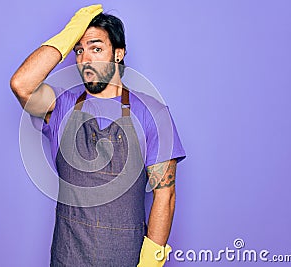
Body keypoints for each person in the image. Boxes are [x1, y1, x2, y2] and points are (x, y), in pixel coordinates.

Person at [10, 4, 186, 266]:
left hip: (124, 257)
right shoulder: (61, 106)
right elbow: (21, 84)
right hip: (67, 256)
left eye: (96, 48)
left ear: (118, 53)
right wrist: (71, 33)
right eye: (79, 51)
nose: (86, 59)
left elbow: (165, 196)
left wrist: (150, 262)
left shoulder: (153, 112)